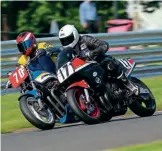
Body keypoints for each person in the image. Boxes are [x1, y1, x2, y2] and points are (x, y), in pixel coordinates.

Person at [58, 24, 139, 97]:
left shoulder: (85, 39)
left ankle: (128, 83)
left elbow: (104, 45)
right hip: (85, 69)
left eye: (68, 39)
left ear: (75, 35)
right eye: (64, 41)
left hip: (98, 62)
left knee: (108, 64)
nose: (66, 42)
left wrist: (92, 53)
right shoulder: (68, 51)